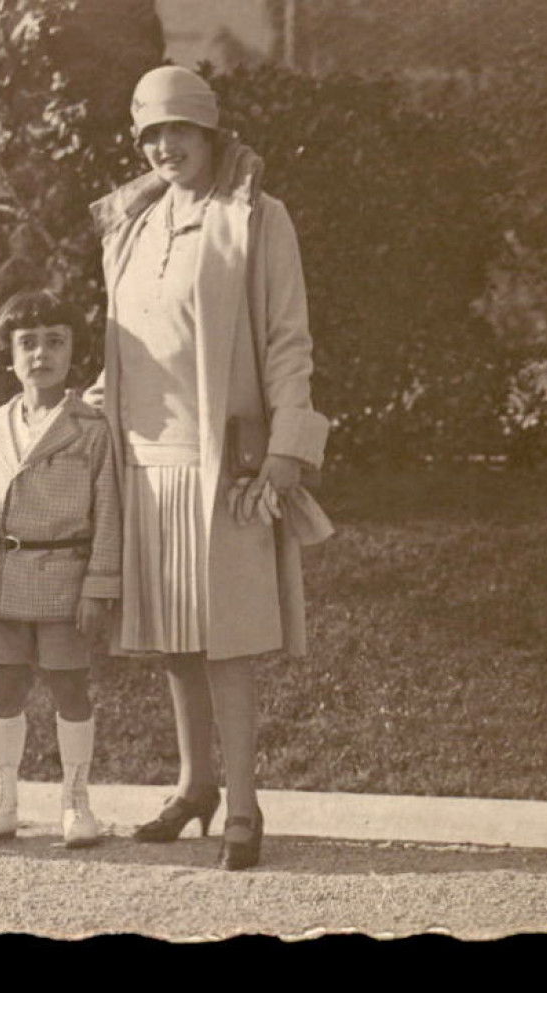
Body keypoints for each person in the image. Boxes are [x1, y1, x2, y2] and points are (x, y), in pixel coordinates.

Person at [88, 65, 331, 870]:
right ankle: (194, 786)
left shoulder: (258, 219)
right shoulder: (131, 226)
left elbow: (288, 340)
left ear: (210, 134)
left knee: (224, 640)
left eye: (178, 131)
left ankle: (243, 805)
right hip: (145, 460)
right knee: (172, 639)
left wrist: (290, 448)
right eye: (150, 135)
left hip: (223, 458)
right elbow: (128, 350)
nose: (164, 148)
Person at [0, 290, 121, 849]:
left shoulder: (91, 428)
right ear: (9, 355)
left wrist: (97, 587)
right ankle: (2, 803)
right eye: (28, 344)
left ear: (74, 352)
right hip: (4, 574)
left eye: (55, 342)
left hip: (63, 573)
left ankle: (76, 801)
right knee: (5, 686)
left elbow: (109, 514)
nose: (41, 354)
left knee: (69, 685)